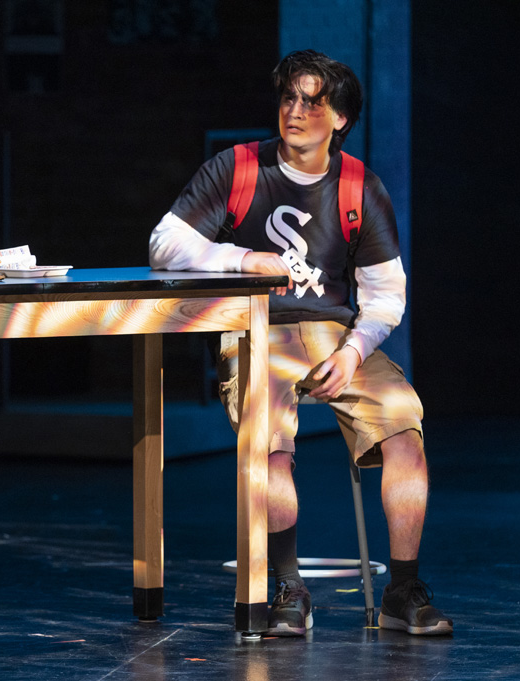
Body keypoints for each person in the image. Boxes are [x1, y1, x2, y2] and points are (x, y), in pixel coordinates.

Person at [148, 49, 452, 637]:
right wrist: (242, 258)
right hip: (258, 328)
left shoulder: (360, 186)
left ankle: (401, 591)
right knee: (271, 445)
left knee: (403, 429)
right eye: (289, 97)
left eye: (314, 102)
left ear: (340, 118)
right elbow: (164, 244)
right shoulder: (238, 167)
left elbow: (385, 295)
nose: (296, 110)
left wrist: (353, 351)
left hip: (337, 336)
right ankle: (288, 587)